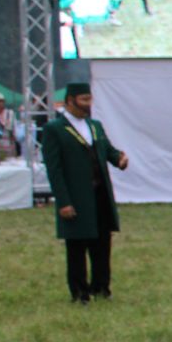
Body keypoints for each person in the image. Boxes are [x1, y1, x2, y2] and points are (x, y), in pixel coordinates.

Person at [40, 83, 130, 304]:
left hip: (100, 195)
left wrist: (119, 158)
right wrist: (63, 201)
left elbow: (107, 150)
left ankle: (101, 287)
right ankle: (79, 292)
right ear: (70, 100)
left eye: (90, 99)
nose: (88, 105)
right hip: (76, 196)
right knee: (77, 247)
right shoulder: (55, 129)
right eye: (83, 100)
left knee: (102, 244)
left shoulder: (95, 126)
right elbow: (55, 170)